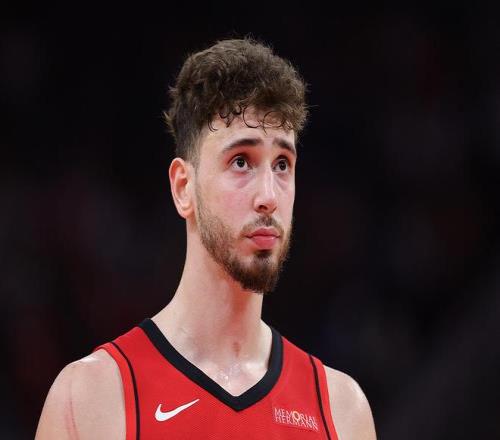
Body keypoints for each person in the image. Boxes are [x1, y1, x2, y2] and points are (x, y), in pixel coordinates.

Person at [36, 38, 377, 439]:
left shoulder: (341, 410)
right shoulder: (92, 398)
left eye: (282, 164)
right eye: (241, 161)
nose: (268, 196)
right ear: (184, 187)